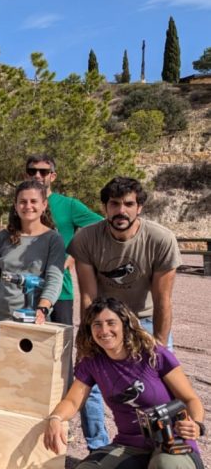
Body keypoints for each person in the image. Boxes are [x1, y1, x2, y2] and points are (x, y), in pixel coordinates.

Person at [45, 297, 205, 469]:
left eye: (111, 323)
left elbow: (190, 399)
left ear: (125, 323)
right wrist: (55, 418)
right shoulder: (93, 363)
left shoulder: (153, 354)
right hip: (131, 445)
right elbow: (73, 401)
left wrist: (196, 424)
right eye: (96, 324)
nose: (104, 330)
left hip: (171, 442)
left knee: (167, 467)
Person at [68, 176, 182, 449]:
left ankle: (166, 448)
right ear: (105, 207)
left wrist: (158, 341)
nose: (121, 211)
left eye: (129, 204)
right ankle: (99, 447)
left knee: (163, 387)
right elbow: (88, 295)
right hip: (104, 321)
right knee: (89, 381)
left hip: (143, 319)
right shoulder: (87, 239)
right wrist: (88, 338)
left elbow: (163, 298)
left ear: (139, 207)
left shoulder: (160, 239)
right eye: (114, 204)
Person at [0, 180, 65, 394]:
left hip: (31, 326)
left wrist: (42, 308)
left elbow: (54, 278)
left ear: (43, 205)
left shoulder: (53, 240)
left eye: (33, 201)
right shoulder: (3, 237)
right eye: (22, 201)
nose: (27, 206)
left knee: (21, 389)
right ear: (15, 204)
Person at [24, 153, 102, 327]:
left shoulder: (69, 205)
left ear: (53, 176)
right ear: (26, 175)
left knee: (60, 348)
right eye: (32, 171)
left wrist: (74, 255)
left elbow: (102, 226)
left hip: (60, 291)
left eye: (43, 172)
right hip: (25, 290)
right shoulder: (21, 205)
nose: (37, 175)